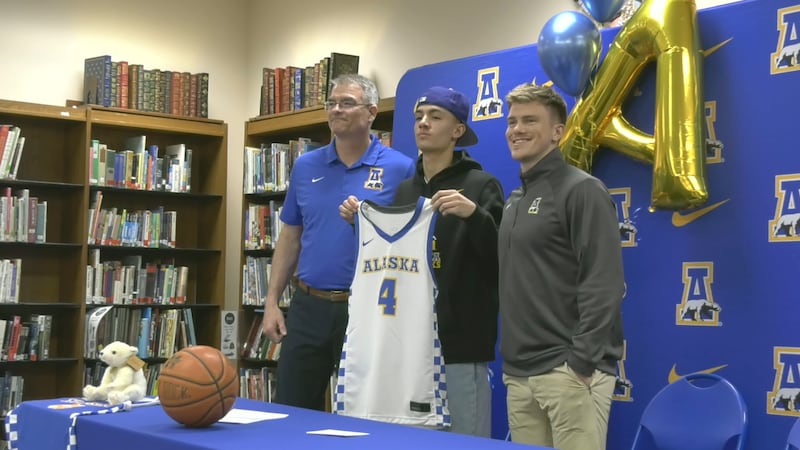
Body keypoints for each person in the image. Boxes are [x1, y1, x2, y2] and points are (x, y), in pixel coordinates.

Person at [340, 86, 504, 436]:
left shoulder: (481, 185)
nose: (423, 124)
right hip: (407, 342)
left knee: (465, 440)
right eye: (418, 117)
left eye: (435, 116)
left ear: (458, 131)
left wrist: (475, 216)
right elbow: (392, 261)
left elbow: (502, 260)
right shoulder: (405, 191)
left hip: (458, 343)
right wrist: (361, 224)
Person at [262, 74, 415, 411]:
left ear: (371, 112)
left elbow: (407, 242)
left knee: (366, 411)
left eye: (347, 103)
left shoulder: (401, 168)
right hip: (308, 305)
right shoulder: (305, 166)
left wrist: (366, 224)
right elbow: (291, 236)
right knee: (291, 408)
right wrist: (272, 302)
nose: (336, 110)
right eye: (331, 103)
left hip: (367, 307)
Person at [498, 82, 625, 450]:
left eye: (529, 120)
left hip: (567, 373)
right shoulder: (516, 199)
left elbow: (605, 282)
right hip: (518, 374)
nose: (516, 129)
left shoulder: (581, 190)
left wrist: (581, 363)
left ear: (558, 132)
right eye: (512, 121)